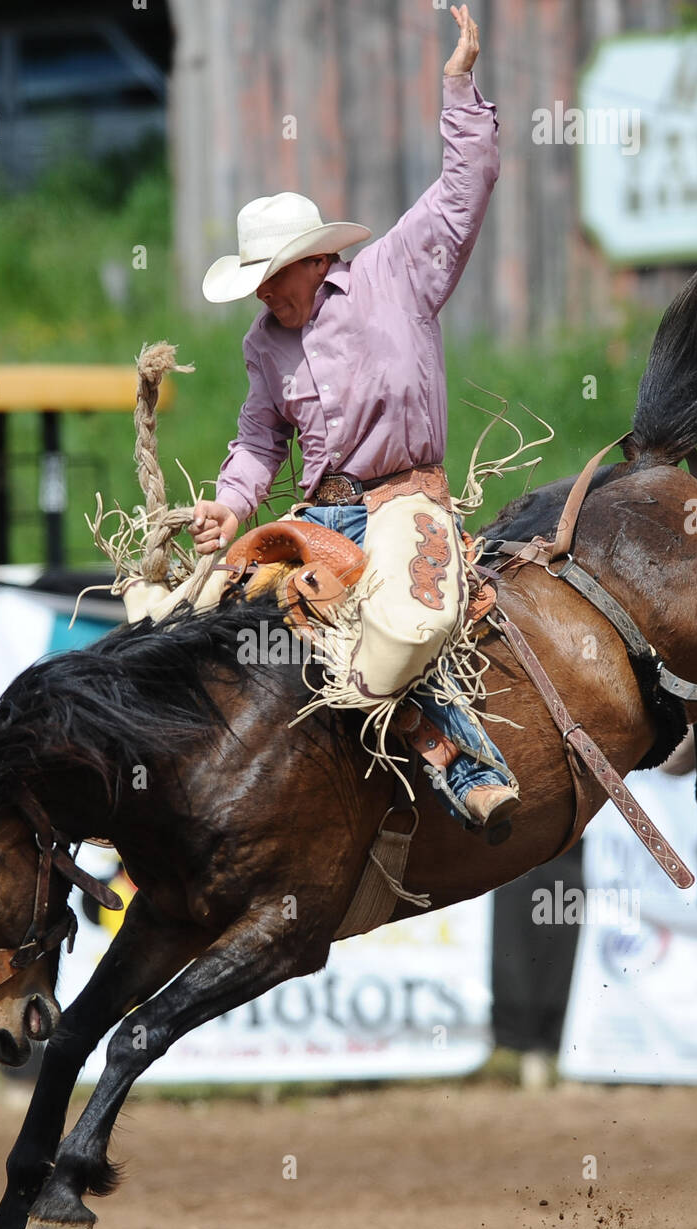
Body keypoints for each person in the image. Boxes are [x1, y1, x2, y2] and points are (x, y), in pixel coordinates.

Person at [191, 4, 517, 830]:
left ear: (313, 261)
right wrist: (231, 503)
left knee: (411, 619)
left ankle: (462, 757)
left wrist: (457, 86)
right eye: (257, 281)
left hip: (404, 498)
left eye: (271, 276)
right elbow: (259, 440)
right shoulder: (264, 346)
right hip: (321, 517)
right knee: (211, 617)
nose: (264, 293)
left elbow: (462, 190)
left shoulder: (396, 273)